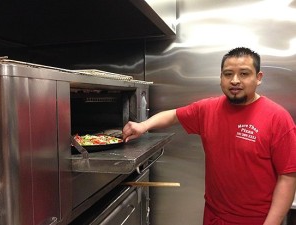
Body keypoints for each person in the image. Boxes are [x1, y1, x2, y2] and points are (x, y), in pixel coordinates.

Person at [122, 47, 296, 225]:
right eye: (228, 74)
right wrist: (142, 126)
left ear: (258, 78)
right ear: (221, 77)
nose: (235, 80)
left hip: (257, 219)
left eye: (244, 73)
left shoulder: (277, 118)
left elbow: (288, 176)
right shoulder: (208, 109)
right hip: (214, 216)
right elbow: (173, 115)